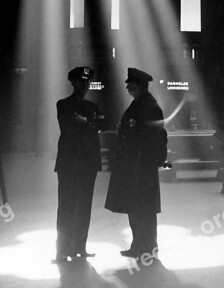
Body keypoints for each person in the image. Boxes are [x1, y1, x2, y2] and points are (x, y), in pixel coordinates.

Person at [105, 68, 167, 258]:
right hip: (134, 166)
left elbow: (152, 138)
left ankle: (147, 247)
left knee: (143, 209)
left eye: (130, 84)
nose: (127, 87)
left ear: (139, 86)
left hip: (142, 167)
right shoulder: (140, 104)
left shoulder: (148, 106)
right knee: (136, 208)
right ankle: (139, 246)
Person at [54, 66, 106, 263]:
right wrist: (91, 123)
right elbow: (68, 127)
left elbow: (104, 124)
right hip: (69, 164)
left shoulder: (92, 107)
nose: (84, 85)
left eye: (87, 82)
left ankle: (79, 247)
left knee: (84, 207)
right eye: (80, 82)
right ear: (73, 83)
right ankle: (62, 249)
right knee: (66, 206)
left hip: (88, 164)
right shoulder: (63, 104)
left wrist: (84, 121)